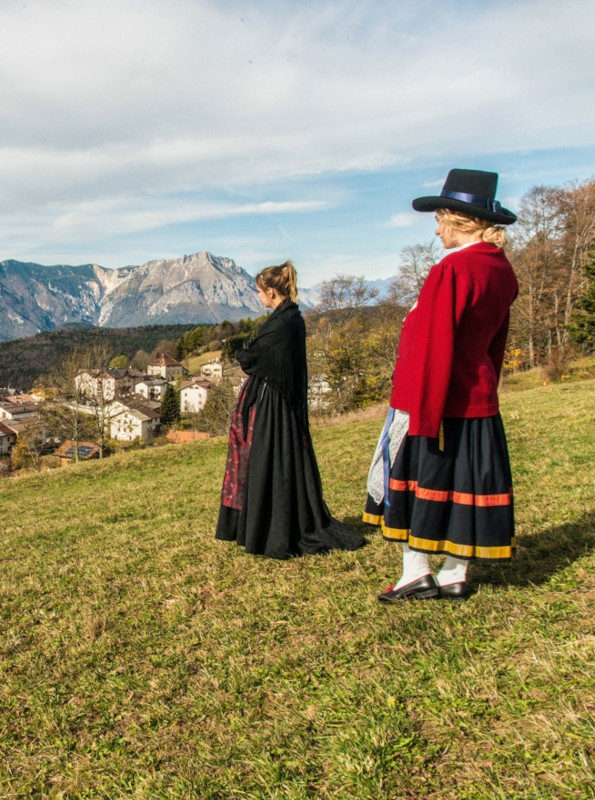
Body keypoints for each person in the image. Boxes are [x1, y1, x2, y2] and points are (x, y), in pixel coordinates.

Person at [365, 168, 518, 602]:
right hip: (477, 396)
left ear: (458, 220)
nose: (435, 229)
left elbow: (433, 346)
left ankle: (416, 573)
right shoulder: (499, 269)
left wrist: (420, 415)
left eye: (440, 219)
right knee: (464, 486)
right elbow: (494, 343)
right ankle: (454, 573)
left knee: (423, 484)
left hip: (436, 399)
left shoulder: (452, 269)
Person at [215, 261, 365, 558]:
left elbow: (252, 358)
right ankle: (269, 524)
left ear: (271, 292)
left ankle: (274, 529)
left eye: (259, 292)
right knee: (271, 462)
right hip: (276, 401)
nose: (258, 297)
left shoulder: (283, 323)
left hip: (274, 405)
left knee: (268, 462)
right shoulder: (289, 317)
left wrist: (238, 349)